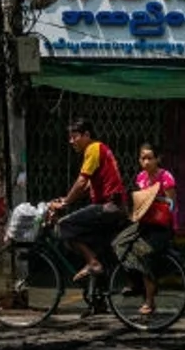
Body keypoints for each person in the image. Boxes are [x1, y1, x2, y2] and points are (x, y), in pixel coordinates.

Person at [44, 120, 126, 283]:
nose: (71, 141)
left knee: (64, 225)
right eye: (70, 137)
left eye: (75, 137)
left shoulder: (93, 149)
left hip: (108, 207)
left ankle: (92, 263)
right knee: (99, 248)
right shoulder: (99, 149)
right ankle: (98, 299)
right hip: (116, 207)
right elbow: (88, 186)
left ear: (87, 135)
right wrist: (65, 199)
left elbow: (82, 182)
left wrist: (65, 203)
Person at [120, 144, 178, 316]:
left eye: (149, 158)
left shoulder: (165, 177)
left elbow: (171, 204)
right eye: (142, 158)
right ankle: (134, 282)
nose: (145, 162)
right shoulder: (141, 177)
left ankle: (149, 301)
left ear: (157, 159)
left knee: (144, 254)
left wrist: (155, 199)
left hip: (161, 226)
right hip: (145, 223)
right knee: (120, 244)